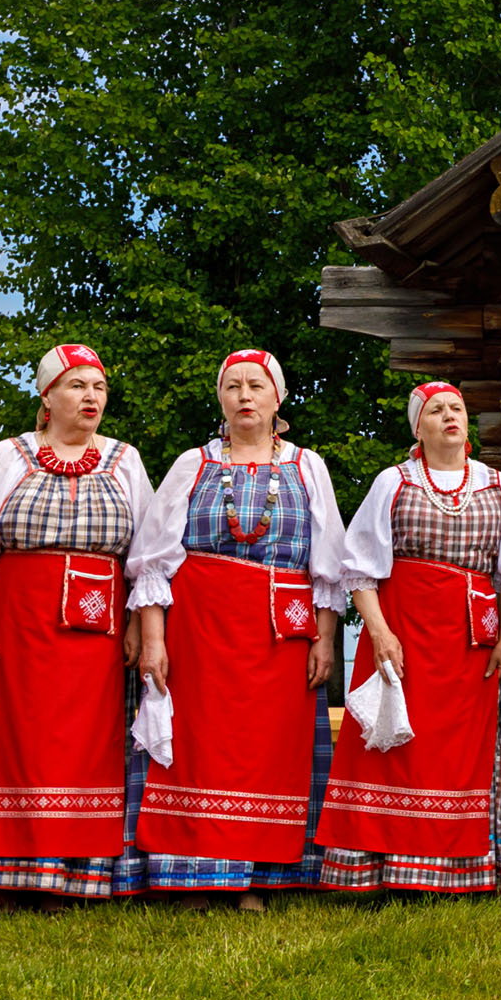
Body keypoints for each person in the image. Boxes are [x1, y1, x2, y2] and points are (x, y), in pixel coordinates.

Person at [124, 350, 349, 905]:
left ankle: (258, 878)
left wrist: (324, 636)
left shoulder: (307, 465)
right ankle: (194, 876)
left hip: (280, 629)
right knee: (197, 747)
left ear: (278, 397)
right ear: (220, 399)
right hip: (200, 626)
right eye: (233, 387)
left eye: (256, 386)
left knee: (270, 750)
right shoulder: (192, 464)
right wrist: (154, 639)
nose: (245, 396)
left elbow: (329, 562)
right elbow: (155, 558)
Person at [0, 343, 154, 903]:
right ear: (47, 397)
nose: (90, 397)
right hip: (15, 619)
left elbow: (147, 554)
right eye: (76, 386)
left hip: (98, 625)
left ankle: (76, 874)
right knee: (13, 737)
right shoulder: (8, 457)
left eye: (99, 388)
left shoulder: (124, 460)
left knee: (85, 740)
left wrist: (138, 624)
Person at [317, 383, 501, 899]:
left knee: (457, 750)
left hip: (467, 642)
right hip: (401, 634)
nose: (448, 416)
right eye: (435, 410)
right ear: (418, 428)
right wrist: (380, 633)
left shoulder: (497, 486)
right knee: (397, 747)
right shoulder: (394, 482)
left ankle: (457, 872)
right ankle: (382, 870)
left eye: (456, 408)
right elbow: (360, 569)